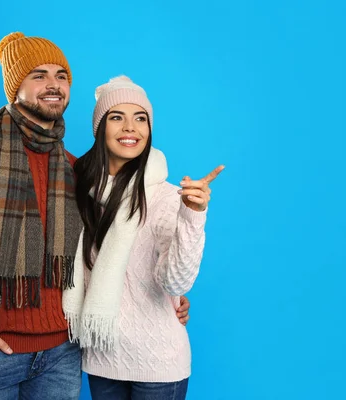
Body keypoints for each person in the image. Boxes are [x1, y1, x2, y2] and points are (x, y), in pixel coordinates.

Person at [0, 32, 190, 400]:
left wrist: (168, 300)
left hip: (62, 355)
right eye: (38, 75)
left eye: (61, 75)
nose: (53, 84)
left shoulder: (75, 170)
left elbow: (104, 255)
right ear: (14, 86)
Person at [64, 76, 223, 400]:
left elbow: (174, 283)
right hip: (101, 358)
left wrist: (192, 216)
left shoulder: (167, 197)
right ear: (99, 128)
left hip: (158, 365)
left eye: (140, 118)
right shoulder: (80, 191)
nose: (130, 128)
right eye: (116, 117)